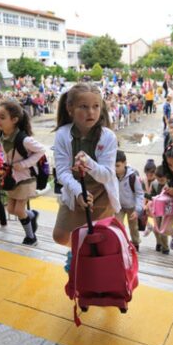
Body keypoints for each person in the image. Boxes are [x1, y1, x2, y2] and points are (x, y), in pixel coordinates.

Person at [52, 83, 120, 247]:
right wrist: (78, 192)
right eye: (83, 107)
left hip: (101, 193)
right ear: (70, 108)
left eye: (96, 106)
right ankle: (77, 253)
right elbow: (62, 172)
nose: (91, 112)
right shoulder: (63, 134)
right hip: (75, 188)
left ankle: (86, 261)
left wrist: (88, 162)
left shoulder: (108, 137)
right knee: (60, 235)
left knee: (98, 239)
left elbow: (106, 175)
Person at [0, 100, 46, 246]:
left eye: (2, 117)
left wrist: (23, 164)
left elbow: (41, 150)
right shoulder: (0, 134)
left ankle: (31, 237)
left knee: (18, 209)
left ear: (15, 120)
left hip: (25, 178)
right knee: (11, 209)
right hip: (11, 177)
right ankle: (32, 215)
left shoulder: (24, 139)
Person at [115, 150, 145, 251]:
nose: (115, 169)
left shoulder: (133, 177)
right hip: (119, 206)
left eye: (117, 165)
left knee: (133, 227)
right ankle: (122, 242)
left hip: (132, 207)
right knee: (118, 225)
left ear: (125, 163)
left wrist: (137, 210)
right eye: (113, 166)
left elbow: (140, 194)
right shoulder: (112, 176)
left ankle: (136, 243)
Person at [147, 165, 170, 254]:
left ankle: (165, 247)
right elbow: (152, 196)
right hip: (157, 210)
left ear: (167, 177)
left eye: (162, 180)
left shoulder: (170, 185)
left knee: (163, 230)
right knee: (156, 229)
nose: (160, 182)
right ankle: (159, 242)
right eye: (158, 179)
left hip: (166, 211)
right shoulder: (154, 184)